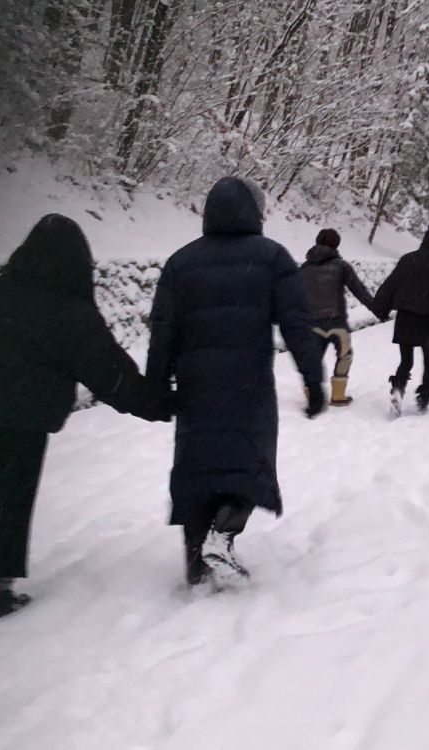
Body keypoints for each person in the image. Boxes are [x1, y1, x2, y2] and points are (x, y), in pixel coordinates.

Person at [0, 214, 171, 621]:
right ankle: (0, 589)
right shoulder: (69, 310)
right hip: (20, 411)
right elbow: (111, 375)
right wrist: (163, 403)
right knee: (13, 495)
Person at [146, 177, 325, 588]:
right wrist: (313, 379)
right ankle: (223, 534)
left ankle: (196, 563)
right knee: (249, 464)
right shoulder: (272, 258)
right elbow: (297, 323)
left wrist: (157, 387)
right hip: (249, 388)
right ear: (255, 213)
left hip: (195, 389)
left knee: (197, 471)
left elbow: (163, 331)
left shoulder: (180, 263)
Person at [372, 222, 429, 415]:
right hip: (427, 321)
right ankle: (424, 396)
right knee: (428, 360)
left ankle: (398, 389)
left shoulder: (407, 259)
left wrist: (381, 308)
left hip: (405, 318)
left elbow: (390, 285)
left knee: (406, 360)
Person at [298, 228, 383, 406]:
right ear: (336, 245)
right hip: (337, 322)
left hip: (312, 324)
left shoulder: (304, 269)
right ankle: (338, 395)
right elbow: (359, 291)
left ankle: (313, 395)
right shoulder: (342, 266)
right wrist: (378, 310)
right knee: (344, 355)